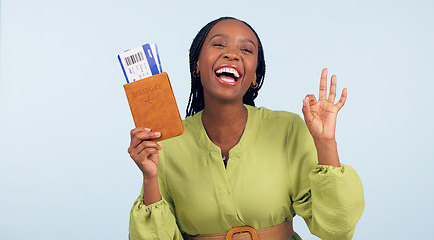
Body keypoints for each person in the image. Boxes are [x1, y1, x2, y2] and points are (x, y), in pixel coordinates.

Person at [127, 17, 364, 240]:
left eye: (246, 50)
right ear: (197, 64)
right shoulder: (167, 141)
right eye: (219, 44)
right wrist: (150, 177)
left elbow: (337, 230)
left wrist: (325, 143)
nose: (231, 54)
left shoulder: (288, 129)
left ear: (255, 76)